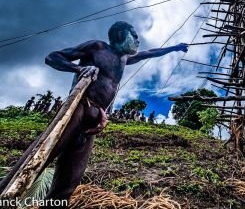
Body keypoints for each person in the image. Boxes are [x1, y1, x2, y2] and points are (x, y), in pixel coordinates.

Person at [0, 21, 188, 207]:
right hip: (78, 109)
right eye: (135, 36)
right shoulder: (97, 48)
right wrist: (79, 68)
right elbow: (52, 57)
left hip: (93, 121)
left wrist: (175, 48)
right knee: (39, 158)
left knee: (70, 179)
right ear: (121, 35)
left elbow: (149, 53)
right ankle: (4, 196)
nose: (139, 41)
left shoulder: (123, 59)